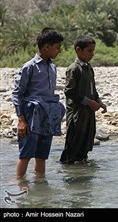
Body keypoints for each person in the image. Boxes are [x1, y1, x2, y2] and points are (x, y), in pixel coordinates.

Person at [12, 28, 65, 179]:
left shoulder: (52, 67)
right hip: (31, 116)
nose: (59, 51)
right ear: (47, 47)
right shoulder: (29, 67)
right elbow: (17, 93)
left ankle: (40, 186)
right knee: (26, 154)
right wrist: (21, 120)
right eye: (57, 47)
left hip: (47, 115)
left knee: (42, 155)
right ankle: (20, 184)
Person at [60, 35, 107, 164]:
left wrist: (99, 101)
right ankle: (70, 173)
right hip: (77, 114)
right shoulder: (73, 69)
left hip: (88, 113)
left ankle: (82, 165)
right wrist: (89, 102)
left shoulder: (88, 68)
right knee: (73, 145)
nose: (92, 54)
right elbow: (69, 92)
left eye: (93, 51)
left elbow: (93, 89)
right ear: (78, 50)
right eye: (89, 51)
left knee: (85, 143)